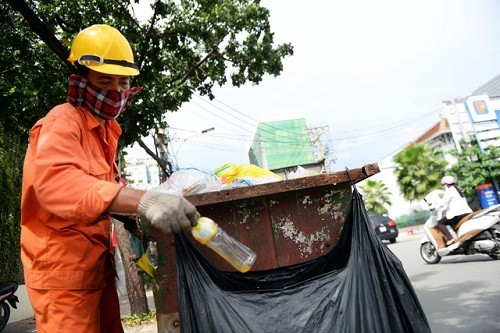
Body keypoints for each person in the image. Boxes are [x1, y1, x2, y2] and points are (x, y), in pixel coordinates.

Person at [20, 24, 199, 333]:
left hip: (95, 269)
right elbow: (59, 184)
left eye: (123, 81)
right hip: (63, 277)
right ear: (80, 77)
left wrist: (138, 216)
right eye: (104, 80)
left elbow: (101, 195)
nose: (116, 90)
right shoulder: (60, 122)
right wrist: (144, 201)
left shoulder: (105, 131)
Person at [435, 175, 472, 246]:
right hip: (467, 211)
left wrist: (436, 206)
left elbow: (442, 202)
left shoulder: (449, 191)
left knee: (440, 223)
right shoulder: (458, 190)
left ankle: (450, 239)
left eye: (443, 185)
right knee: (451, 222)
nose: (443, 187)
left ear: (446, 185)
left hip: (457, 213)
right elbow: (448, 204)